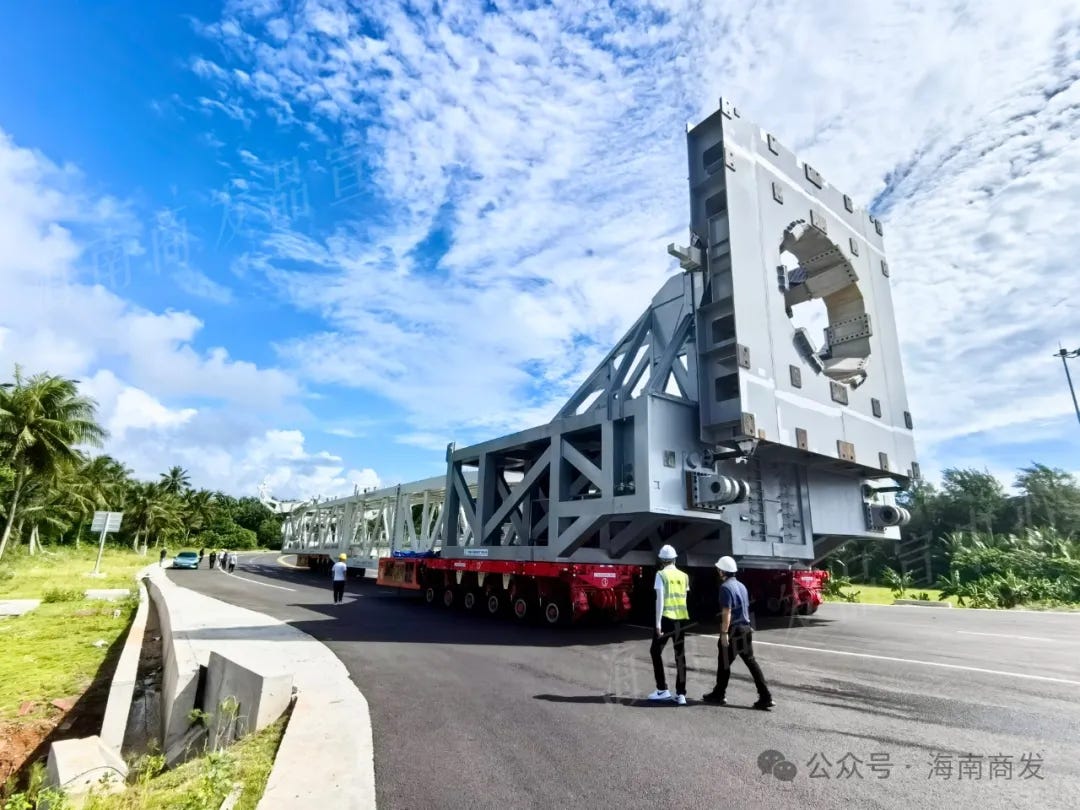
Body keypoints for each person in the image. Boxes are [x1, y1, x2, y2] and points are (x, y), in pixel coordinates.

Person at [703, 556, 774, 710]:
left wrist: (724, 633)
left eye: (718, 569)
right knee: (751, 663)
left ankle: (719, 694)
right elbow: (745, 607)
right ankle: (765, 696)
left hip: (734, 630)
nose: (717, 571)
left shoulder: (725, 587)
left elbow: (727, 611)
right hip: (746, 629)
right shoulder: (742, 586)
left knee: (724, 664)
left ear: (722, 571)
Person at [647, 544, 689, 705]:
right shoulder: (684, 576)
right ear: (674, 559)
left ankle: (662, 689)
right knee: (680, 656)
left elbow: (660, 600)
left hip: (665, 619)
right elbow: (684, 598)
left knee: (655, 651)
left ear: (662, 560)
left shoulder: (661, 574)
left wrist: (658, 623)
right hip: (681, 619)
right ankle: (681, 694)